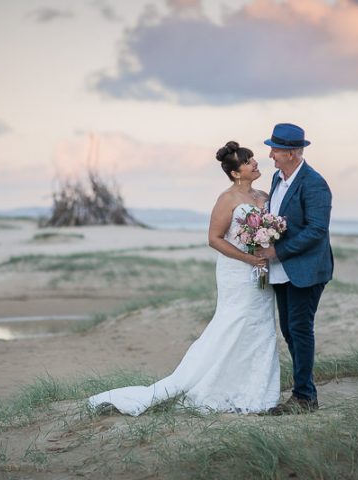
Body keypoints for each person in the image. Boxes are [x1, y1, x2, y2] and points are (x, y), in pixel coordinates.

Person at [88, 141, 281, 416]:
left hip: (262, 270)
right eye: (249, 161)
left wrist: (267, 246)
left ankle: (258, 391)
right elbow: (214, 239)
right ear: (236, 172)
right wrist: (249, 258)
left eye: (253, 159)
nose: (255, 163)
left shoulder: (264, 195)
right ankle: (212, 384)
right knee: (233, 323)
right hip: (237, 272)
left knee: (261, 325)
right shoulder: (227, 200)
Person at [257, 123, 333, 415]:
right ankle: (303, 390)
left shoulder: (314, 183)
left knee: (300, 330)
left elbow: (317, 230)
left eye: (275, 149)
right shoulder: (278, 179)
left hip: (307, 270)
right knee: (289, 330)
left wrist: (277, 250)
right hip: (282, 270)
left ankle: (305, 397)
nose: (271, 154)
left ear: (291, 152)